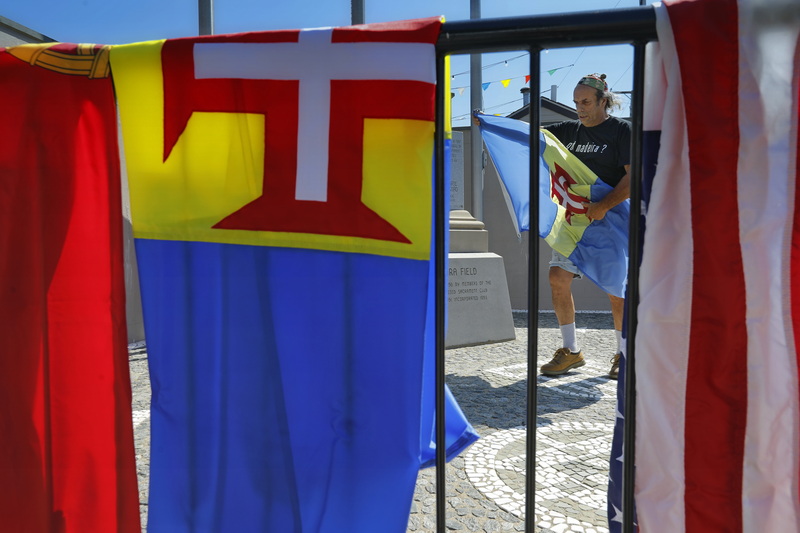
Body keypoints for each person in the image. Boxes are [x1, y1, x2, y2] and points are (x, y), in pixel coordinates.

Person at [540, 73, 631, 380]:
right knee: (557, 278)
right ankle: (571, 351)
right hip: (576, 221)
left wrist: (604, 206)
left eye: (586, 102)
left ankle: (624, 355)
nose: (579, 108)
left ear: (604, 101)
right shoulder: (567, 130)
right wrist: (489, 123)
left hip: (613, 219)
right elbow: (529, 136)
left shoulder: (621, 131)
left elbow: (633, 177)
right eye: (576, 102)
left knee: (617, 290)